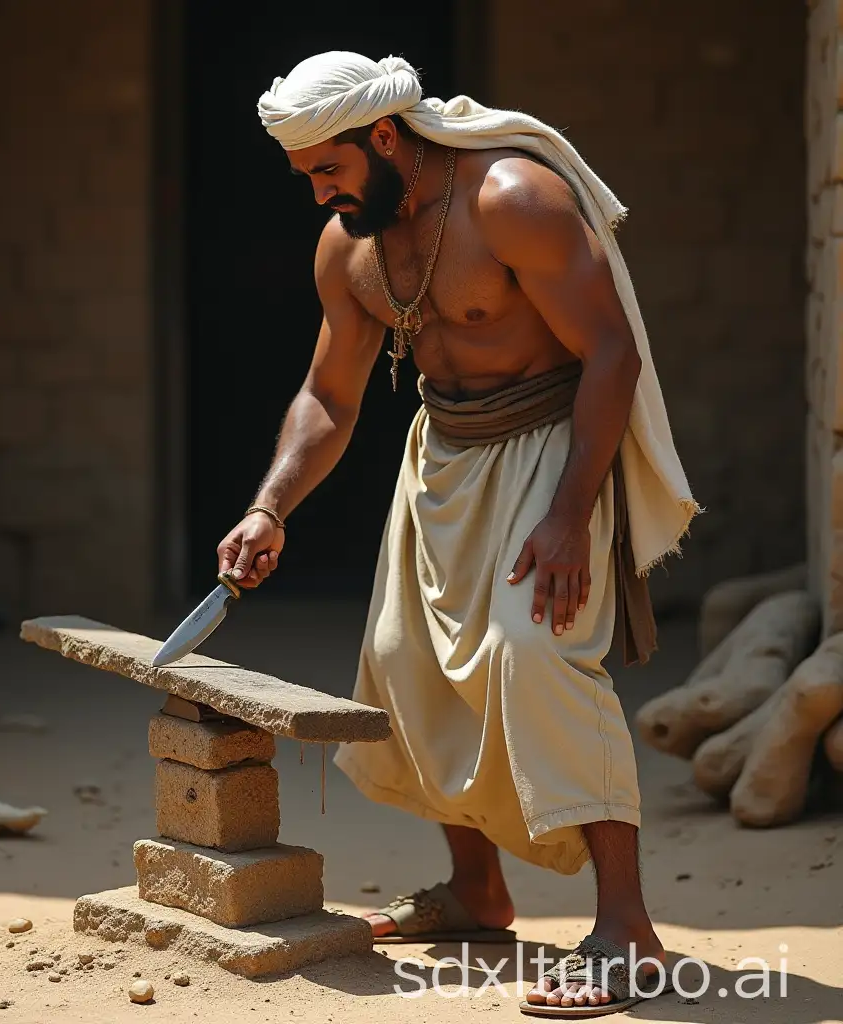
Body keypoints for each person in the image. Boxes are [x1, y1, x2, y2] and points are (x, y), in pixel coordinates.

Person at [216, 52, 698, 1015]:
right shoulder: (347, 246)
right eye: (307, 176)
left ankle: (627, 932)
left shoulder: (513, 199)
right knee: (409, 664)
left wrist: (570, 514)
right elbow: (329, 394)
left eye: (329, 170)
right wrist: (270, 505)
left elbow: (611, 353)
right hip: (443, 454)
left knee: (536, 649)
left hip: (553, 445)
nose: (319, 193)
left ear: (384, 137)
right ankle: (478, 892)